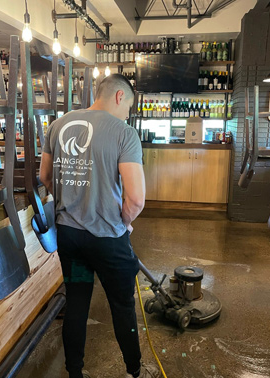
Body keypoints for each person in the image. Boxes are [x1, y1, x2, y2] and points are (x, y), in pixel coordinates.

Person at [39, 74, 160, 378]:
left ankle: (75, 373)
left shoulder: (58, 125)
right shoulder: (124, 133)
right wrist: (125, 223)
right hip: (108, 242)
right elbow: (136, 199)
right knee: (122, 305)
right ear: (120, 97)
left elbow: (44, 178)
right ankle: (134, 371)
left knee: (77, 301)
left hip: (70, 239)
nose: (127, 114)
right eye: (129, 107)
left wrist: (73, 203)